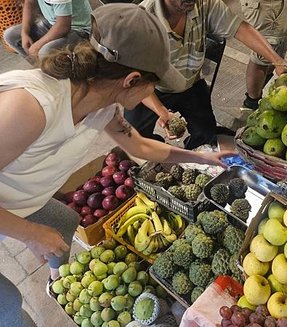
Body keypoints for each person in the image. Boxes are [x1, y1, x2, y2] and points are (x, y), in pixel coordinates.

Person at [0, 4, 234, 326]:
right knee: (9, 308)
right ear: (131, 79)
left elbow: (137, 145)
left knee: (65, 220)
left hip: (16, 198)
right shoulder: (31, 107)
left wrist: (201, 159)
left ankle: (56, 283)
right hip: (7, 205)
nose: (154, 95)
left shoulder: (101, 103)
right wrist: (30, 234)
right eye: (154, 85)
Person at [123, 0, 287, 150]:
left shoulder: (203, 3)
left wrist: (277, 61)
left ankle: (194, 154)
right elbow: (136, 81)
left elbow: (240, 28)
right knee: (132, 136)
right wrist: (162, 111)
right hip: (151, 88)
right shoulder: (142, 21)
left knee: (206, 133)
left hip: (190, 83)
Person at [240, 0, 287, 110]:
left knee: (278, 44)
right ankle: (252, 101)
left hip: (282, 6)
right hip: (269, 6)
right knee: (263, 56)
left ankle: (263, 84)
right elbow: (236, 29)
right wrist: (277, 61)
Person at [3, 0, 92, 59]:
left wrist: (37, 45)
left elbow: (63, 26)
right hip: (51, 23)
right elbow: (29, 3)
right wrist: (24, 33)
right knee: (11, 35)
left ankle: (59, 79)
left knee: (45, 51)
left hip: (79, 29)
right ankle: (40, 69)